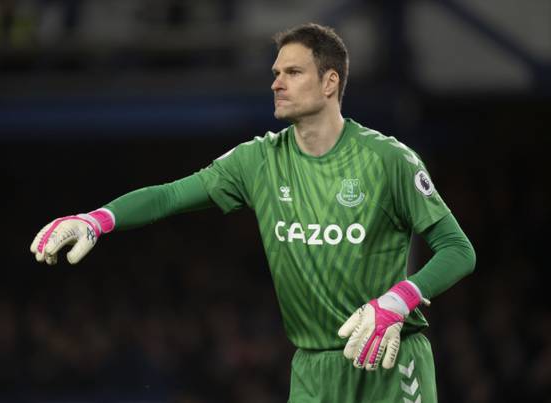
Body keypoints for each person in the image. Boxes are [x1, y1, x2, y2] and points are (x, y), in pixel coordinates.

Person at [30, 23, 476, 402]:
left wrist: (397, 301)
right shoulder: (257, 161)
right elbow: (169, 196)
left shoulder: (388, 161)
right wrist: (97, 219)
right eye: (275, 73)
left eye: (293, 72)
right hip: (313, 370)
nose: (276, 83)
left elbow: (458, 250)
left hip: (388, 359)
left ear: (330, 83)